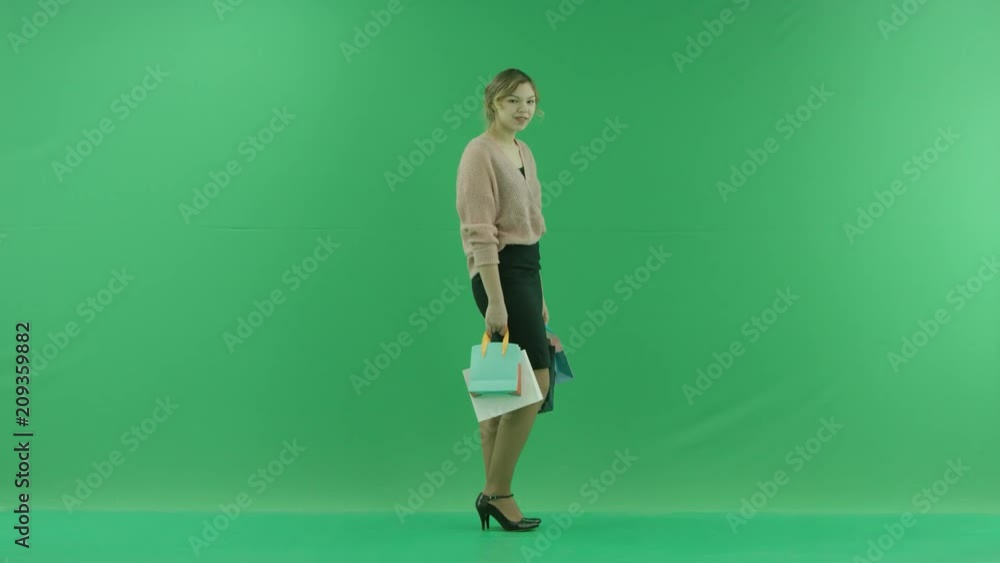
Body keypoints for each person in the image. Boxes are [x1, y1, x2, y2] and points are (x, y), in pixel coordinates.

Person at [456, 68, 551, 532]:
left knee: (503, 387)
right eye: (513, 100)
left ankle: (492, 493)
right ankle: (498, 492)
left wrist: (540, 296)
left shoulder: (523, 151)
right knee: (537, 380)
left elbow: (530, 224)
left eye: (530, 101)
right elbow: (480, 232)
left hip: (526, 271)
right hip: (499, 273)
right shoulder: (479, 153)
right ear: (493, 102)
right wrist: (495, 299)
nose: (523, 109)